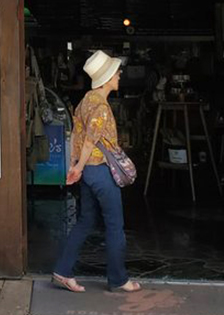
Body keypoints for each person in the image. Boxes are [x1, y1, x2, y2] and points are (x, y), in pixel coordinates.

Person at [52, 50, 140, 293]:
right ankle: (119, 279)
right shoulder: (100, 107)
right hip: (100, 171)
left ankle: (63, 269)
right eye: (116, 72)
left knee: (86, 220)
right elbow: (90, 140)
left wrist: (75, 165)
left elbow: (75, 136)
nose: (120, 75)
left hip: (89, 172)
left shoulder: (86, 101)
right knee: (114, 225)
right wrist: (78, 168)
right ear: (108, 77)